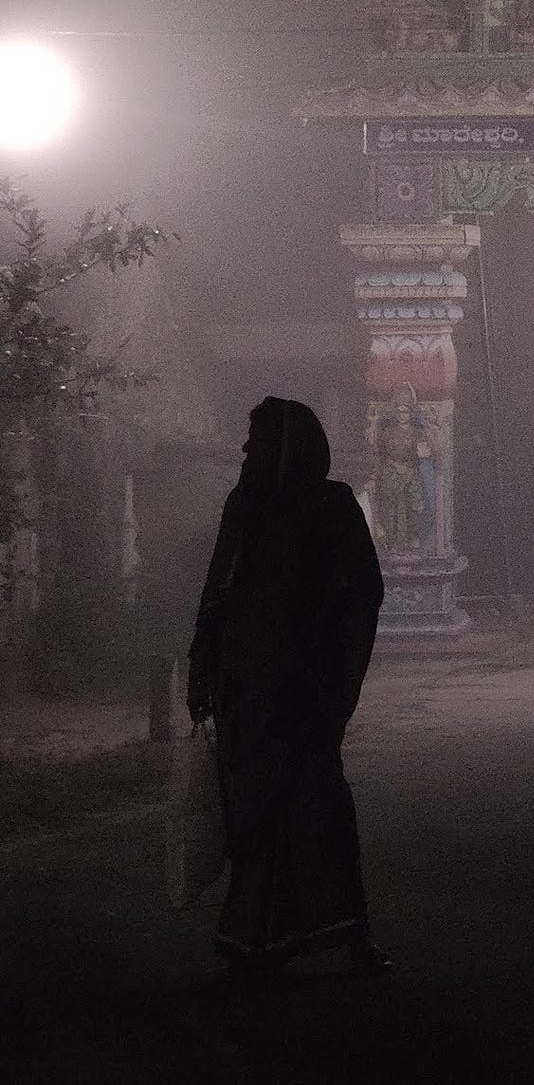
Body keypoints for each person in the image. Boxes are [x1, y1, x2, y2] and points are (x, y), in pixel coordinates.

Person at [187, 397, 388, 975]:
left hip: (306, 694)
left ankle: (348, 932)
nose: (247, 450)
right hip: (247, 690)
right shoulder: (245, 506)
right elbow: (217, 594)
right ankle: (256, 938)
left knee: (320, 810)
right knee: (255, 819)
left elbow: (362, 594)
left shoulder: (330, 507)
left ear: (288, 448)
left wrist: (333, 676)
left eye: (257, 440)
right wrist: (204, 666)